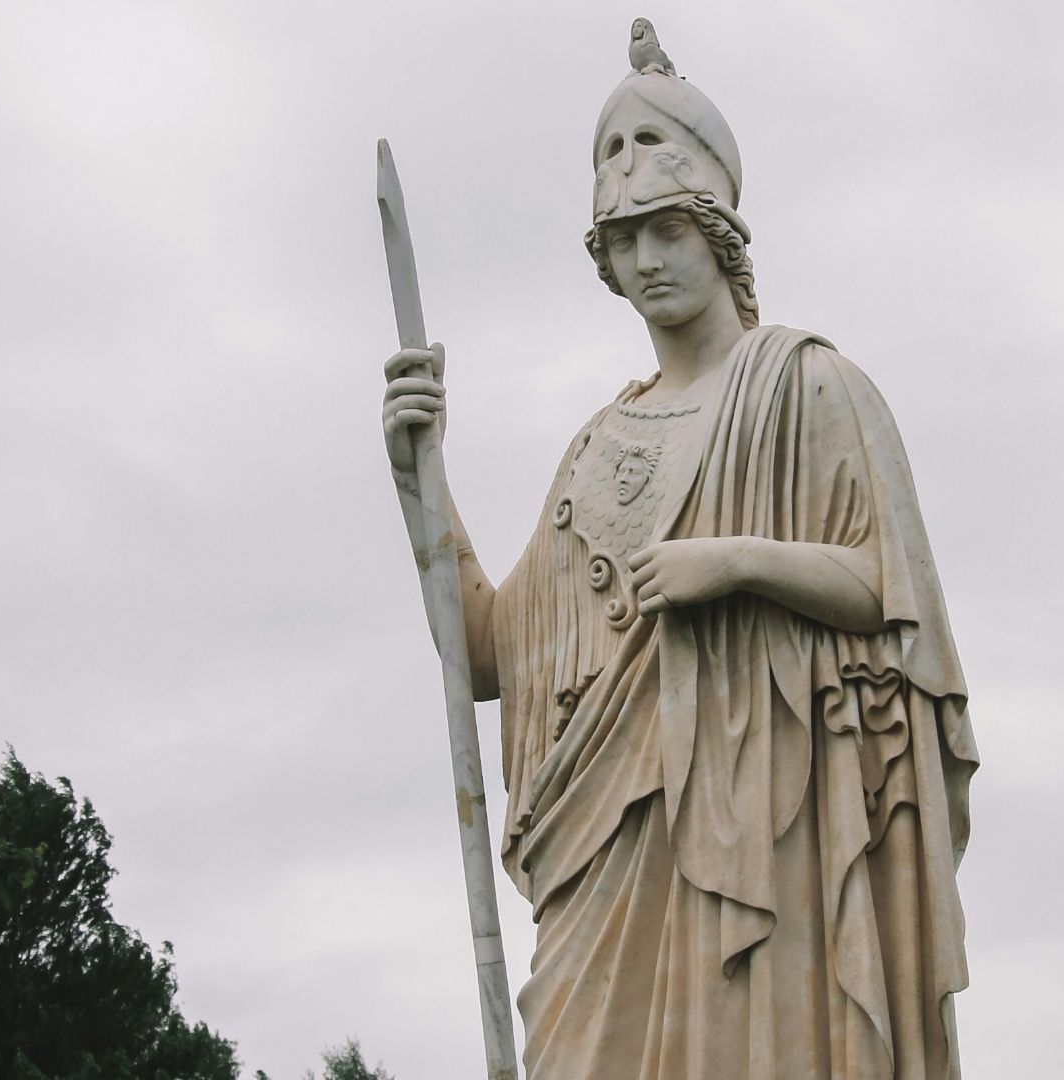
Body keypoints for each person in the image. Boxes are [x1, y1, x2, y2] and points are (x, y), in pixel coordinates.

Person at [381, 27, 978, 1080]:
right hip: (599, 867)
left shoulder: (805, 390)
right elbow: (483, 653)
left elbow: (890, 593)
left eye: (666, 229)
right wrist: (419, 481)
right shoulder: (597, 445)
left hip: (762, 840)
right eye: (625, 240)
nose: (648, 260)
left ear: (717, 231)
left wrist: (736, 562)